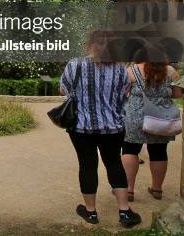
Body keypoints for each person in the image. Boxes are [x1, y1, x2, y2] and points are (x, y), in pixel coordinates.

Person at [60, 30, 141, 228]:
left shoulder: (75, 65)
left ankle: (91, 212)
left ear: (90, 44)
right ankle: (124, 212)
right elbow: (124, 97)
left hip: (81, 128)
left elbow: (63, 90)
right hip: (112, 127)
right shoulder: (121, 69)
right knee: (114, 164)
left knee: (87, 165)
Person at [121, 52, 182, 201]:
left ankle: (129, 190)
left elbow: (122, 92)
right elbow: (178, 94)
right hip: (161, 118)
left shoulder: (131, 71)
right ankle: (157, 189)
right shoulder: (171, 72)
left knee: (130, 149)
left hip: (136, 116)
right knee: (159, 151)